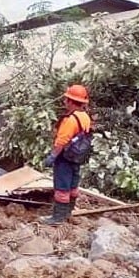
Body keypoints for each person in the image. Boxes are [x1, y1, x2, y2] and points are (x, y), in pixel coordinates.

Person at [42, 84, 93, 225]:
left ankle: (58, 218)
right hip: (78, 156)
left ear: (71, 101)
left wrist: (53, 156)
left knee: (62, 187)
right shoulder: (85, 117)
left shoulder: (70, 120)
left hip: (65, 157)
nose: (64, 102)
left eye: (66, 99)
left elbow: (62, 141)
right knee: (73, 186)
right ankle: (68, 213)